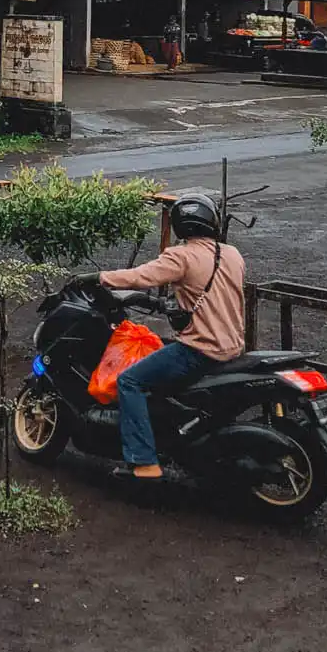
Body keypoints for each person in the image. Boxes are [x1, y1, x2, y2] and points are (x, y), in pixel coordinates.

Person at [97, 190, 247, 483]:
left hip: (199, 351)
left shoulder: (182, 256)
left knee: (130, 381)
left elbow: (141, 277)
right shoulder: (232, 254)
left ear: (180, 225)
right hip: (233, 347)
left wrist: (99, 277)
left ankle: (143, 462)